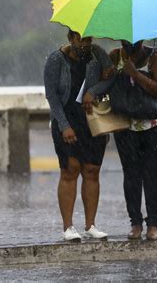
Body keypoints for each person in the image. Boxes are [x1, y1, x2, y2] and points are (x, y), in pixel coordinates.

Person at [44, 29, 114, 241]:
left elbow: (111, 77)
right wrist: (64, 125)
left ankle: (90, 224)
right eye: (80, 39)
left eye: (88, 39)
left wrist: (93, 91)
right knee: (70, 168)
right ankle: (68, 227)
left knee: (92, 170)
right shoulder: (56, 60)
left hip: (91, 118)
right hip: (67, 118)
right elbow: (52, 95)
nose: (84, 44)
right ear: (70, 39)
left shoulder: (97, 54)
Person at [109, 40, 157, 240]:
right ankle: (135, 223)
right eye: (124, 39)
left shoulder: (156, 57)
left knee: (152, 172)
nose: (128, 42)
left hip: (156, 124)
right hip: (127, 124)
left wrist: (135, 74)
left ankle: (153, 224)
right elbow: (106, 84)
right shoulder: (114, 56)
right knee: (131, 173)